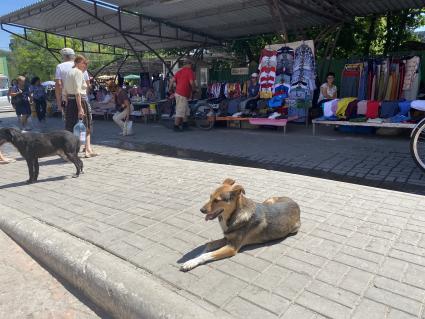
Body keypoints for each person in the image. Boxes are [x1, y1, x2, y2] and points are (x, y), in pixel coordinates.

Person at [63, 55, 97, 158]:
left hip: (70, 101)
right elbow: (78, 92)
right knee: (86, 125)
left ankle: (70, 152)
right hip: (80, 101)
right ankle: (87, 151)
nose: (86, 66)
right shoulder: (78, 72)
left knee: (70, 127)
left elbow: (64, 91)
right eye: (84, 63)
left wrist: (65, 105)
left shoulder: (69, 72)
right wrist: (80, 108)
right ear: (78, 62)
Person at [55, 48, 89, 120]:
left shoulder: (60, 66)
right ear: (73, 56)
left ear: (64, 56)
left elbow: (59, 85)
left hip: (68, 99)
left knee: (69, 124)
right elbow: (87, 84)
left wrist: (60, 104)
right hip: (82, 99)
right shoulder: (81, 66)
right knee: (85, 124)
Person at [168, 58, 196, 131]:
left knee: (185, 110)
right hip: (182, 94)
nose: (192, 66)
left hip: (179, 93)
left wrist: (169, 89)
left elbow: (171, 81)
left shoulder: (179, 72)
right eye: (192, 64)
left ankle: (185, 125)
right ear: (189, 64)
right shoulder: (190, 71)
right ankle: (176, 126)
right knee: (180, 111)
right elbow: (192, 83)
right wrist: (194, 89)